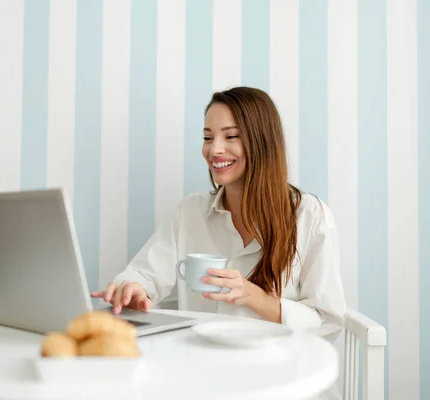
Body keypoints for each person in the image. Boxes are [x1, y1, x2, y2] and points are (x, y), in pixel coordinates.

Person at [91, 86, 346, 331]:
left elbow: (328, 319)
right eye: (208, 137)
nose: (214, 149)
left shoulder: (309, 216)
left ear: (262, 142)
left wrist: (256, 297)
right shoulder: (191, 211)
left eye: (231, 136)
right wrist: (134, 289)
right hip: (202, 364)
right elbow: (145, 273)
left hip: (278, 368)